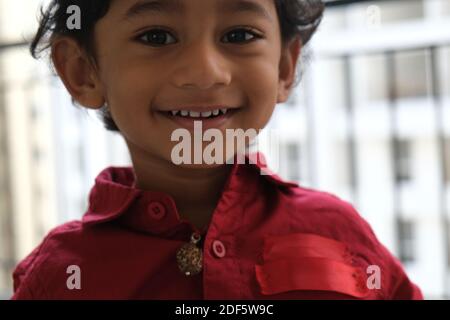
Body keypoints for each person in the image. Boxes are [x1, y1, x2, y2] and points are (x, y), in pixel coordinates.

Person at [12, 0, 423, 299]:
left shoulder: (338, 229)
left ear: (283, 67)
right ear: (83, 72)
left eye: (239, 35)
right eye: (157, 36)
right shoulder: (59, 275)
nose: (206, 72)